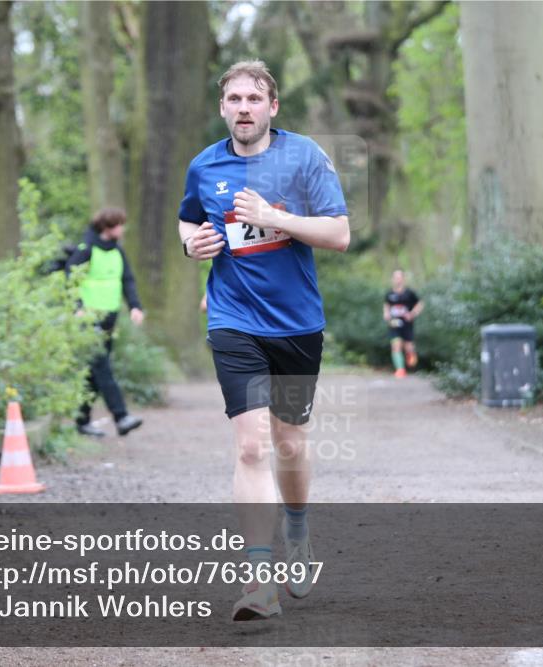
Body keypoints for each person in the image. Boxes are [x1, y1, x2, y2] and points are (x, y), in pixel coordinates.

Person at [177, 60, 350, 621]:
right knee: (250, 445)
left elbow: (339, 233)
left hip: (297, 323)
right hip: (232, 318)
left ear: (272, 107)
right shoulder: (204, 165)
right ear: (222, 107)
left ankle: (297, 527)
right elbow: (187, 221)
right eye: (234, 99)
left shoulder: (304, 157)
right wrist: (192, 244)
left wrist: (277, 216)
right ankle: (259, 582)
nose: (244, 108)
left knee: (290, 442)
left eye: (254, 98)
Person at [66, 207, 144, 438]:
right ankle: (121, 417)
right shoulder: (87, 249)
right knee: (102, 367)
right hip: (88, 319)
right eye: (119, 224)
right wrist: (77, 307)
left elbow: (127, 280)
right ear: (107, 227)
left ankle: (82, 422)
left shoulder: (117, 251)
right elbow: (71, 275)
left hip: (109, 318)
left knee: (93, 371)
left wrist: (135, 306)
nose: (122, 228)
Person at [383, 269, 423, 378]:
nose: (397, 280)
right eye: (395, 277)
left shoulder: (409, 293)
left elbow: (420, 304)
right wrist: (386, 314)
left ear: (403, 279)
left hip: (407, 324)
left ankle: (411, 355)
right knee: (396, 346)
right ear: (392, 279)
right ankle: (400, 370)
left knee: (409, 348)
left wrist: (412, 313)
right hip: (394, 324)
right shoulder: (389, 294)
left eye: (399, 277)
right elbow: (386, 306)